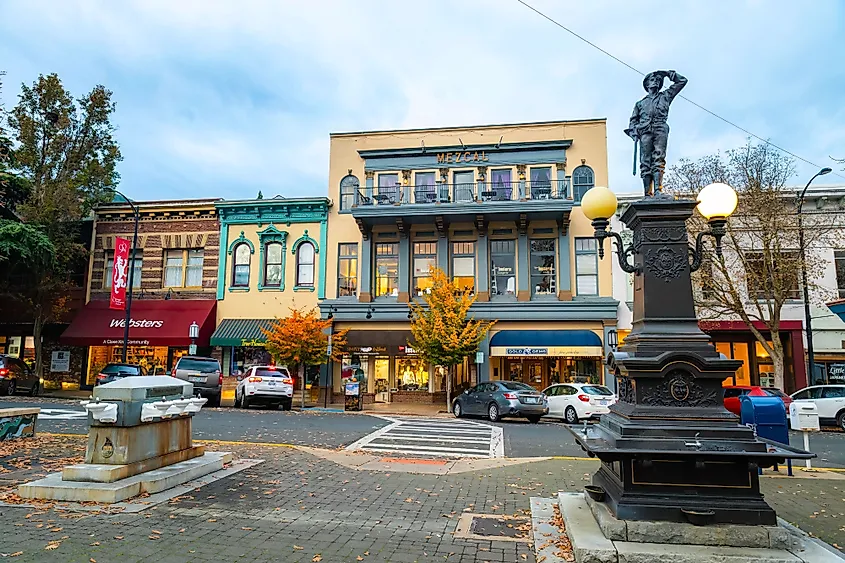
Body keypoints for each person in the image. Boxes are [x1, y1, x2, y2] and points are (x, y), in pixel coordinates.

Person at [624, 70, 687, 197]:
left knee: (659, 158)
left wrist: (667, 73)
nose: (656, 82)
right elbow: (632, 122)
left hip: (660, 128)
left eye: (658, 80)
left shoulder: (666, 96)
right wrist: (634, 131)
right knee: (645, 161)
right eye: (653, 80)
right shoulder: (640, 104)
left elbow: (682, 81)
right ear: (647, 84)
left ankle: (658, 190)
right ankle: (648, 193)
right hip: (645, 131)